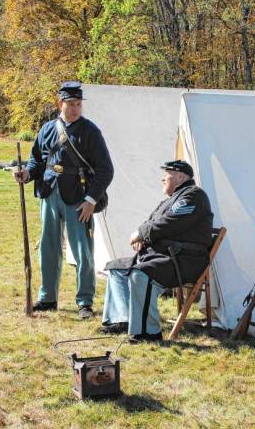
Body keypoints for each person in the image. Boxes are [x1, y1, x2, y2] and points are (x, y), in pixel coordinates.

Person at [13, 81, 113, 318]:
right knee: (48, 248)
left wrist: (90, 200)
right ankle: (48, 297)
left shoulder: (90, 131)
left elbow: (105, 170)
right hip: (49, 193)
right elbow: (37, 160)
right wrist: (26, 174)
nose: (76, 109)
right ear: (61, 103)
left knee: (83, 252)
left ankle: (85, 302)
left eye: (78, 104)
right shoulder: (47, 128)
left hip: (78, 198)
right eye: (71, 104)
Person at [100, 160, 213, 342]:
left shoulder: (193, 196)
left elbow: (169, 223)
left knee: (141, 274)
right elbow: (151, 221)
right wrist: (143, 237)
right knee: (117, 269)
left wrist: (141, 234)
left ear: (180, 177)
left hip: (185, 259)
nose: (163, 179)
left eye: (167, 174)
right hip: (165, 255)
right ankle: (123, 319)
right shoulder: (172, 199)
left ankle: (148, 333)